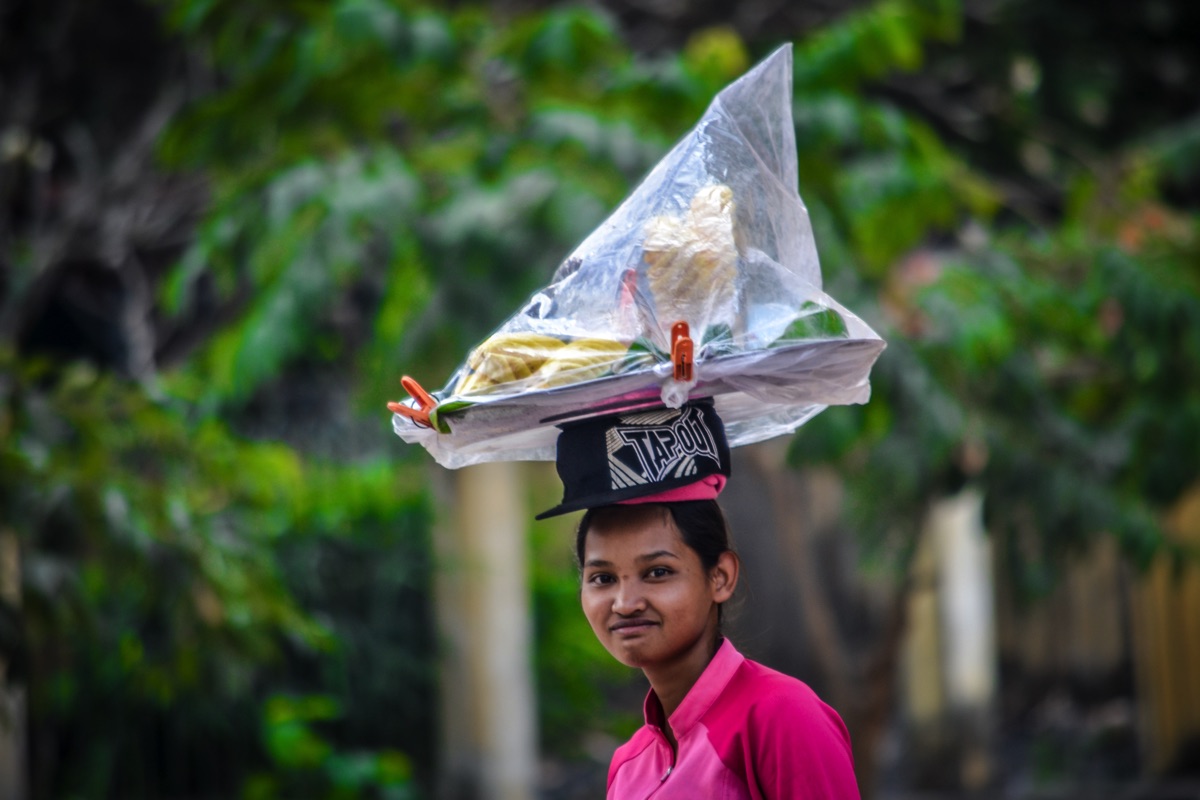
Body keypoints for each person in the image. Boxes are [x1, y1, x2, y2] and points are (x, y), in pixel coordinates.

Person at [537, 399, 861, 799]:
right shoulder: (628, 765)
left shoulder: (782, 716)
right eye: (602, 578)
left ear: (720, 577)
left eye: (657, 572)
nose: (625, 602)